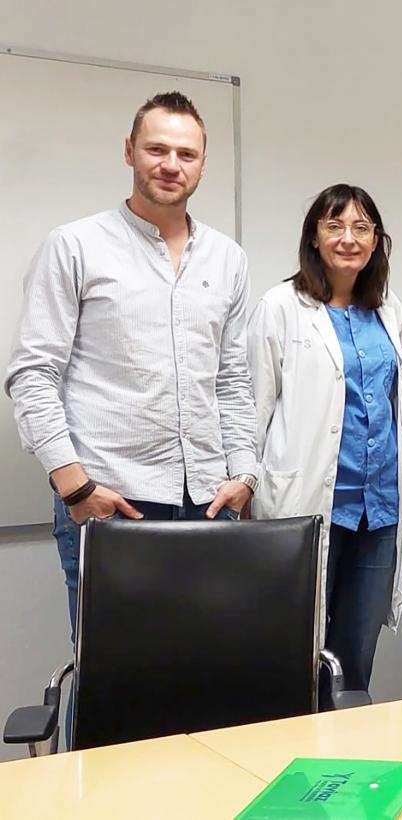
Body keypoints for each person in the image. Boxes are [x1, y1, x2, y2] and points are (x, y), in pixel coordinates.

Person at [6, 91, 257, 640]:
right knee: (112, 684)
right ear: (129, 152)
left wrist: (243, 474)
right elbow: (33, 374)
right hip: (111, 500)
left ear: (203, 164)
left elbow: (233, 379)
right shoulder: (74, 246)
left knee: (205, 671)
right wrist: (74, 487)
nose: (171, 165)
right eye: (157, 149)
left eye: (186, 154)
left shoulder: (228, 259)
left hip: (208, 504)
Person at [246, 184, 402, 702]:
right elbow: (253, 407)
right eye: (334, 225)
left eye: (361, 227)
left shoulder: (388, 309)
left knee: (354, 660)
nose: (348, 238)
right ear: (314, 237)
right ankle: (296, 765)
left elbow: (389, 406)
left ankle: (345, 766)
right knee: (296, 653)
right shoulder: (280, 306)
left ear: (377, 242)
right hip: (308, 505)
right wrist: (246, 484)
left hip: (379, 510)